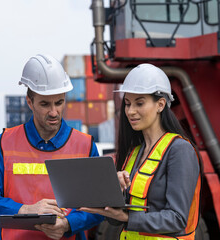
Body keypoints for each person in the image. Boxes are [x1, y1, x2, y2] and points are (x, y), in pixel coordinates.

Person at [0, 54, 104, 240]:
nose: (53, 112)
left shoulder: (84, 145)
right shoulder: (4, 143)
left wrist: (68, 224)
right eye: (45, 104)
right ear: (30, 102)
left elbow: (99, 204)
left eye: (59, 103)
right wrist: (25, 210)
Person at [79, 63, 202, 239]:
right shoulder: (134, 153)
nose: (130, 111)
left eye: (140, 103)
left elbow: (177, 219)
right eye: (127, 104)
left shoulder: (179, 150)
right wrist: (115, 195)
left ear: (160, 105)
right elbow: (117, 220)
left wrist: (127, 217)